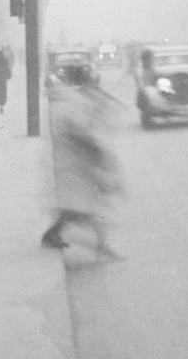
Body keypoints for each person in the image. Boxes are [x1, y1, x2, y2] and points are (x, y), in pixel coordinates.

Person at [41, 79, 124, 261]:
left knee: (76, 209)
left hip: (73, 168)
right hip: (74, 168)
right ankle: (103, 247)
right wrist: (101, 164)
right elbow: (82, 139)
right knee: (89, 211)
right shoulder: (77, 109)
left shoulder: (75, 107)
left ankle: (52, 235)